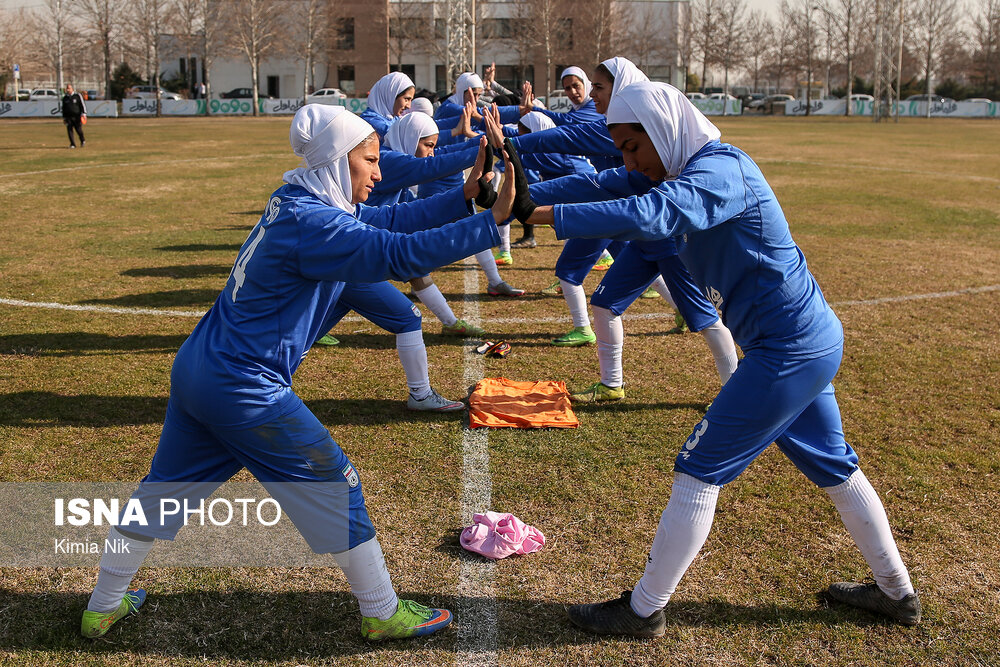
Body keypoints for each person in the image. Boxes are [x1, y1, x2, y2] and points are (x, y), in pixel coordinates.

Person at [80, 104, 522, 642]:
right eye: (370, 160)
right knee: (339, 486)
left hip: (201, 369)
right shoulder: (316, 223)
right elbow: (400, 254)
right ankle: (381, 610)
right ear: (339, 161)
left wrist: (463, 197)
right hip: (243, 387)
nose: (379, 174)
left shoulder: (298, 201)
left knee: (162, 495)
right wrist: (492, 220)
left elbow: (387, 221)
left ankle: (102, 604)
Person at [514, 82, 921, 635]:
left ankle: (642, 610)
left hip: (789, 350)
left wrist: (543, 215)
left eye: (634, 146)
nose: (629, 160)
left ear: (662, 131)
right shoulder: (667, 169)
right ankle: (897, 594)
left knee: (698, 470)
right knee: (835, 466)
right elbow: (601, 181)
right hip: (802, 343)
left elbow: (658, 213)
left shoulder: (720, 170)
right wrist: (523, 188)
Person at [62, 84, 86, 148]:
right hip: (68, 117)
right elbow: (64, 108)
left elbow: (82, 105)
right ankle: (72, 144)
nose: (68, 90)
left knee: (78, 130)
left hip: (77, 116)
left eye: (69, 88)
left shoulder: (77, 96)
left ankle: (82, 140)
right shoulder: (65, 98)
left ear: (72, 89)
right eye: (67, 88)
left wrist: (83, 114)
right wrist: (64, 118)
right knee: (69, 130)